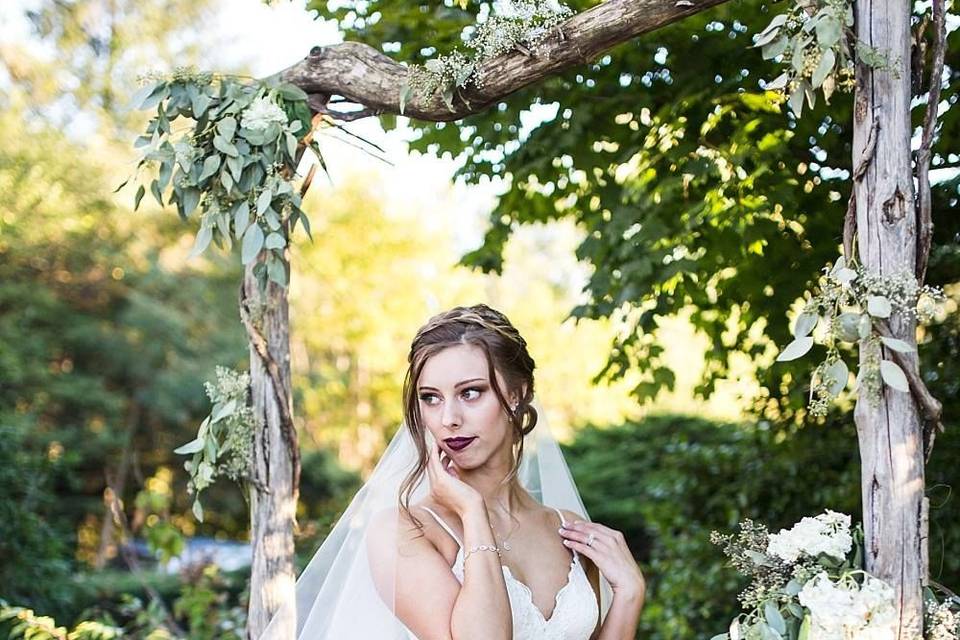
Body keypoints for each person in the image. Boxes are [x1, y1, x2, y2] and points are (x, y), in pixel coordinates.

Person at [264, 304, 645, 640]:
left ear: (517, 393)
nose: (449, 419)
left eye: (470, 393)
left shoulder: (567, 529)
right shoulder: (405, 530)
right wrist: (472, 512)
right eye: (431, 398)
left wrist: (629, 593)